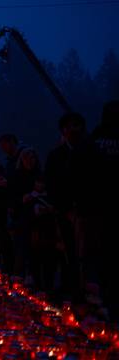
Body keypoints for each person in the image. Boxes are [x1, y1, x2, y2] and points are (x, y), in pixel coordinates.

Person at [45, 113, 96, 301]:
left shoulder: (91, 153)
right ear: (63, 131)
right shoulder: (56, 156)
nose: (72, 130)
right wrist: (62, 208)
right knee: (67, 252)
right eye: (68, 127)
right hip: (64, 212)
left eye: (76, 126)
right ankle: (72, 291)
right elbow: (51, 184)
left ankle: (87, 293)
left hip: (88, 211)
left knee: (87, 253)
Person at [91, 101, 119, 318]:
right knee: (103, 253)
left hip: (104, 204)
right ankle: (106, 299)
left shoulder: (95, 137)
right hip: (100, 205)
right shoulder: (96, 137)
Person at [9, 147, 42, 279]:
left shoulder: (40, 175)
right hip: (22, 219)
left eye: (32, 158)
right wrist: (21, 199)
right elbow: (12, 199)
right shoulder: (17, 177)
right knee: (21, 251)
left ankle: (37, 282)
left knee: (37, 253)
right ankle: (19, 282)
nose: (29, 161)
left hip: (38, 219)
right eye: (26, 158)